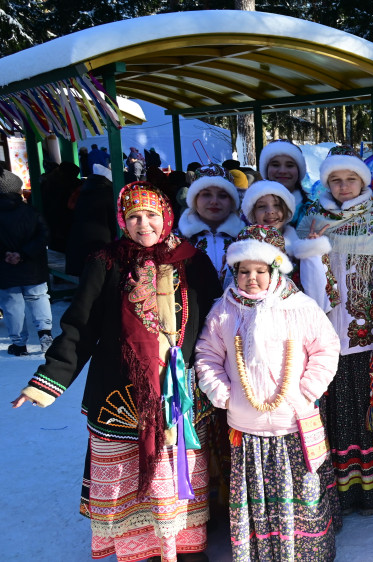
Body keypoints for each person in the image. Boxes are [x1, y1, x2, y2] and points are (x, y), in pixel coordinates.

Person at [13, 182, 221, 562]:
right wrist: (47, 381)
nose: (144, 224)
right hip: (121, 392)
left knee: (179, 469)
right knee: (129, 471)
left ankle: (186, 547)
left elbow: (216, 321)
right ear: (122, 220)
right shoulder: (106, 262)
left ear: (166, 217)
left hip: (182, 391)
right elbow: (79, 327)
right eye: (134, 216)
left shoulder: (193, 260)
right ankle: (139, 549)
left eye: (152, 215)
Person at [196, 225, 340, 561]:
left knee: (300, 491)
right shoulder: (224, 310)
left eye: (261, 271)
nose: (251, 279)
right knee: (257, 494)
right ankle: (264, 550)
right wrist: (222, 393)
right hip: (247, 426)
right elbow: (207, 354)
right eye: (243, 272)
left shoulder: (300, 306)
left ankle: (305, 551)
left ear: (276, 271)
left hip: (293, 420)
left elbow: (326, 348)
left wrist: (308, 390)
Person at [293, 146, 373, 515]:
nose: (343, 186)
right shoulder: (311, 220)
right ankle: (339, 494)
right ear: (326, 182)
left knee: (366, 416)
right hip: (324, 340)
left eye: (350, 179)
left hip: (368, 339)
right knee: (335, 418)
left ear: (363, 181)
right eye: (336, 180)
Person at [0, 169, 53, 356]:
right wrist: (23, 254)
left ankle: (19, 343)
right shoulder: (30, 211)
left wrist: (7, 255)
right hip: (32, 267)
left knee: (11, 305)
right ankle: (45, 334)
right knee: (38, 298)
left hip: (5, 270)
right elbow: (44, 234)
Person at [178, 165, 243, 283]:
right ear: (194, 199)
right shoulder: (176, 240)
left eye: (222, 195)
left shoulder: (247, 238)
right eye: (206, 194)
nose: (214, 201)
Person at [66, 164, 117, 277]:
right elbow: (115, 222)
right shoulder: (108, 193)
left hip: (78, 244)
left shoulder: (83, 191)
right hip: (99, 244)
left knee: (85, 278)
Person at [259, 139, 309, 225]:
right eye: (275, 165)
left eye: (289, 165)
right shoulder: (251, 208)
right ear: (266, 169)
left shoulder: (312, 211)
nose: (282, 171)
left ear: (299, 170)